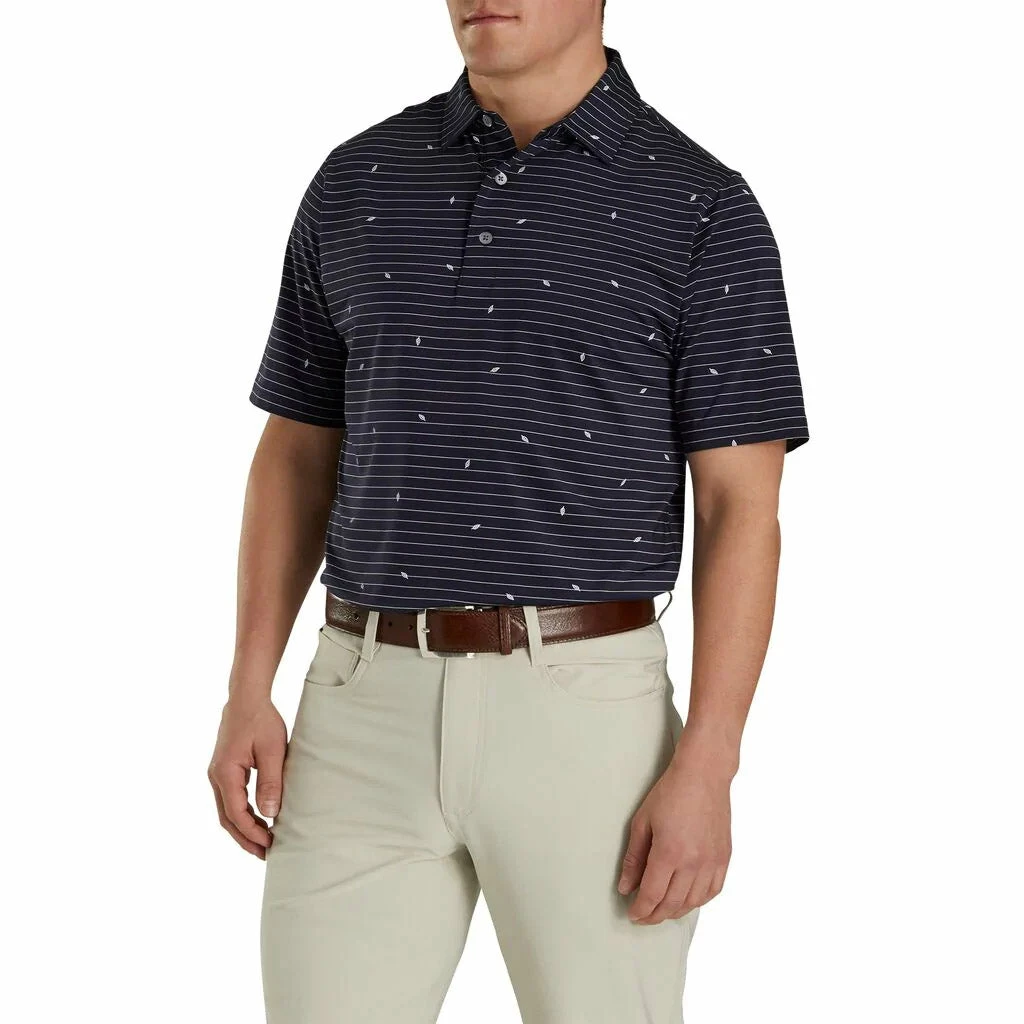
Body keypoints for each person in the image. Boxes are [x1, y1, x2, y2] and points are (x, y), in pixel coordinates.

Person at [208, 1, 809, 1020]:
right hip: (358, 706)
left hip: (587, 716)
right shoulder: (358, 179)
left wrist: (710, 760)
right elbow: (297, 452)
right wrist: (246, 686)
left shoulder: (702, 206)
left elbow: (740, 506)